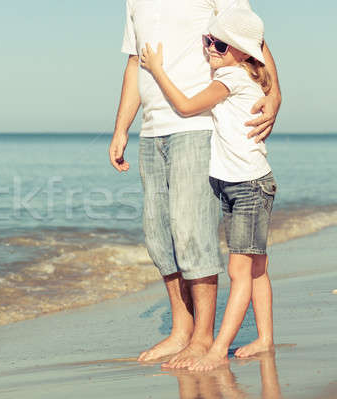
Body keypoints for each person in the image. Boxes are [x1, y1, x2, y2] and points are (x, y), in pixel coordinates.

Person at [109, 0, 281, 369]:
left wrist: (274, 92)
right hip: (152, 131)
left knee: (191, 233)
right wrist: (122, 127)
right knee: (158, 234)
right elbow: (134, 64)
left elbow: (252, 35)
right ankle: (180, 330)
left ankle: (204, 337)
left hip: (196, 125)